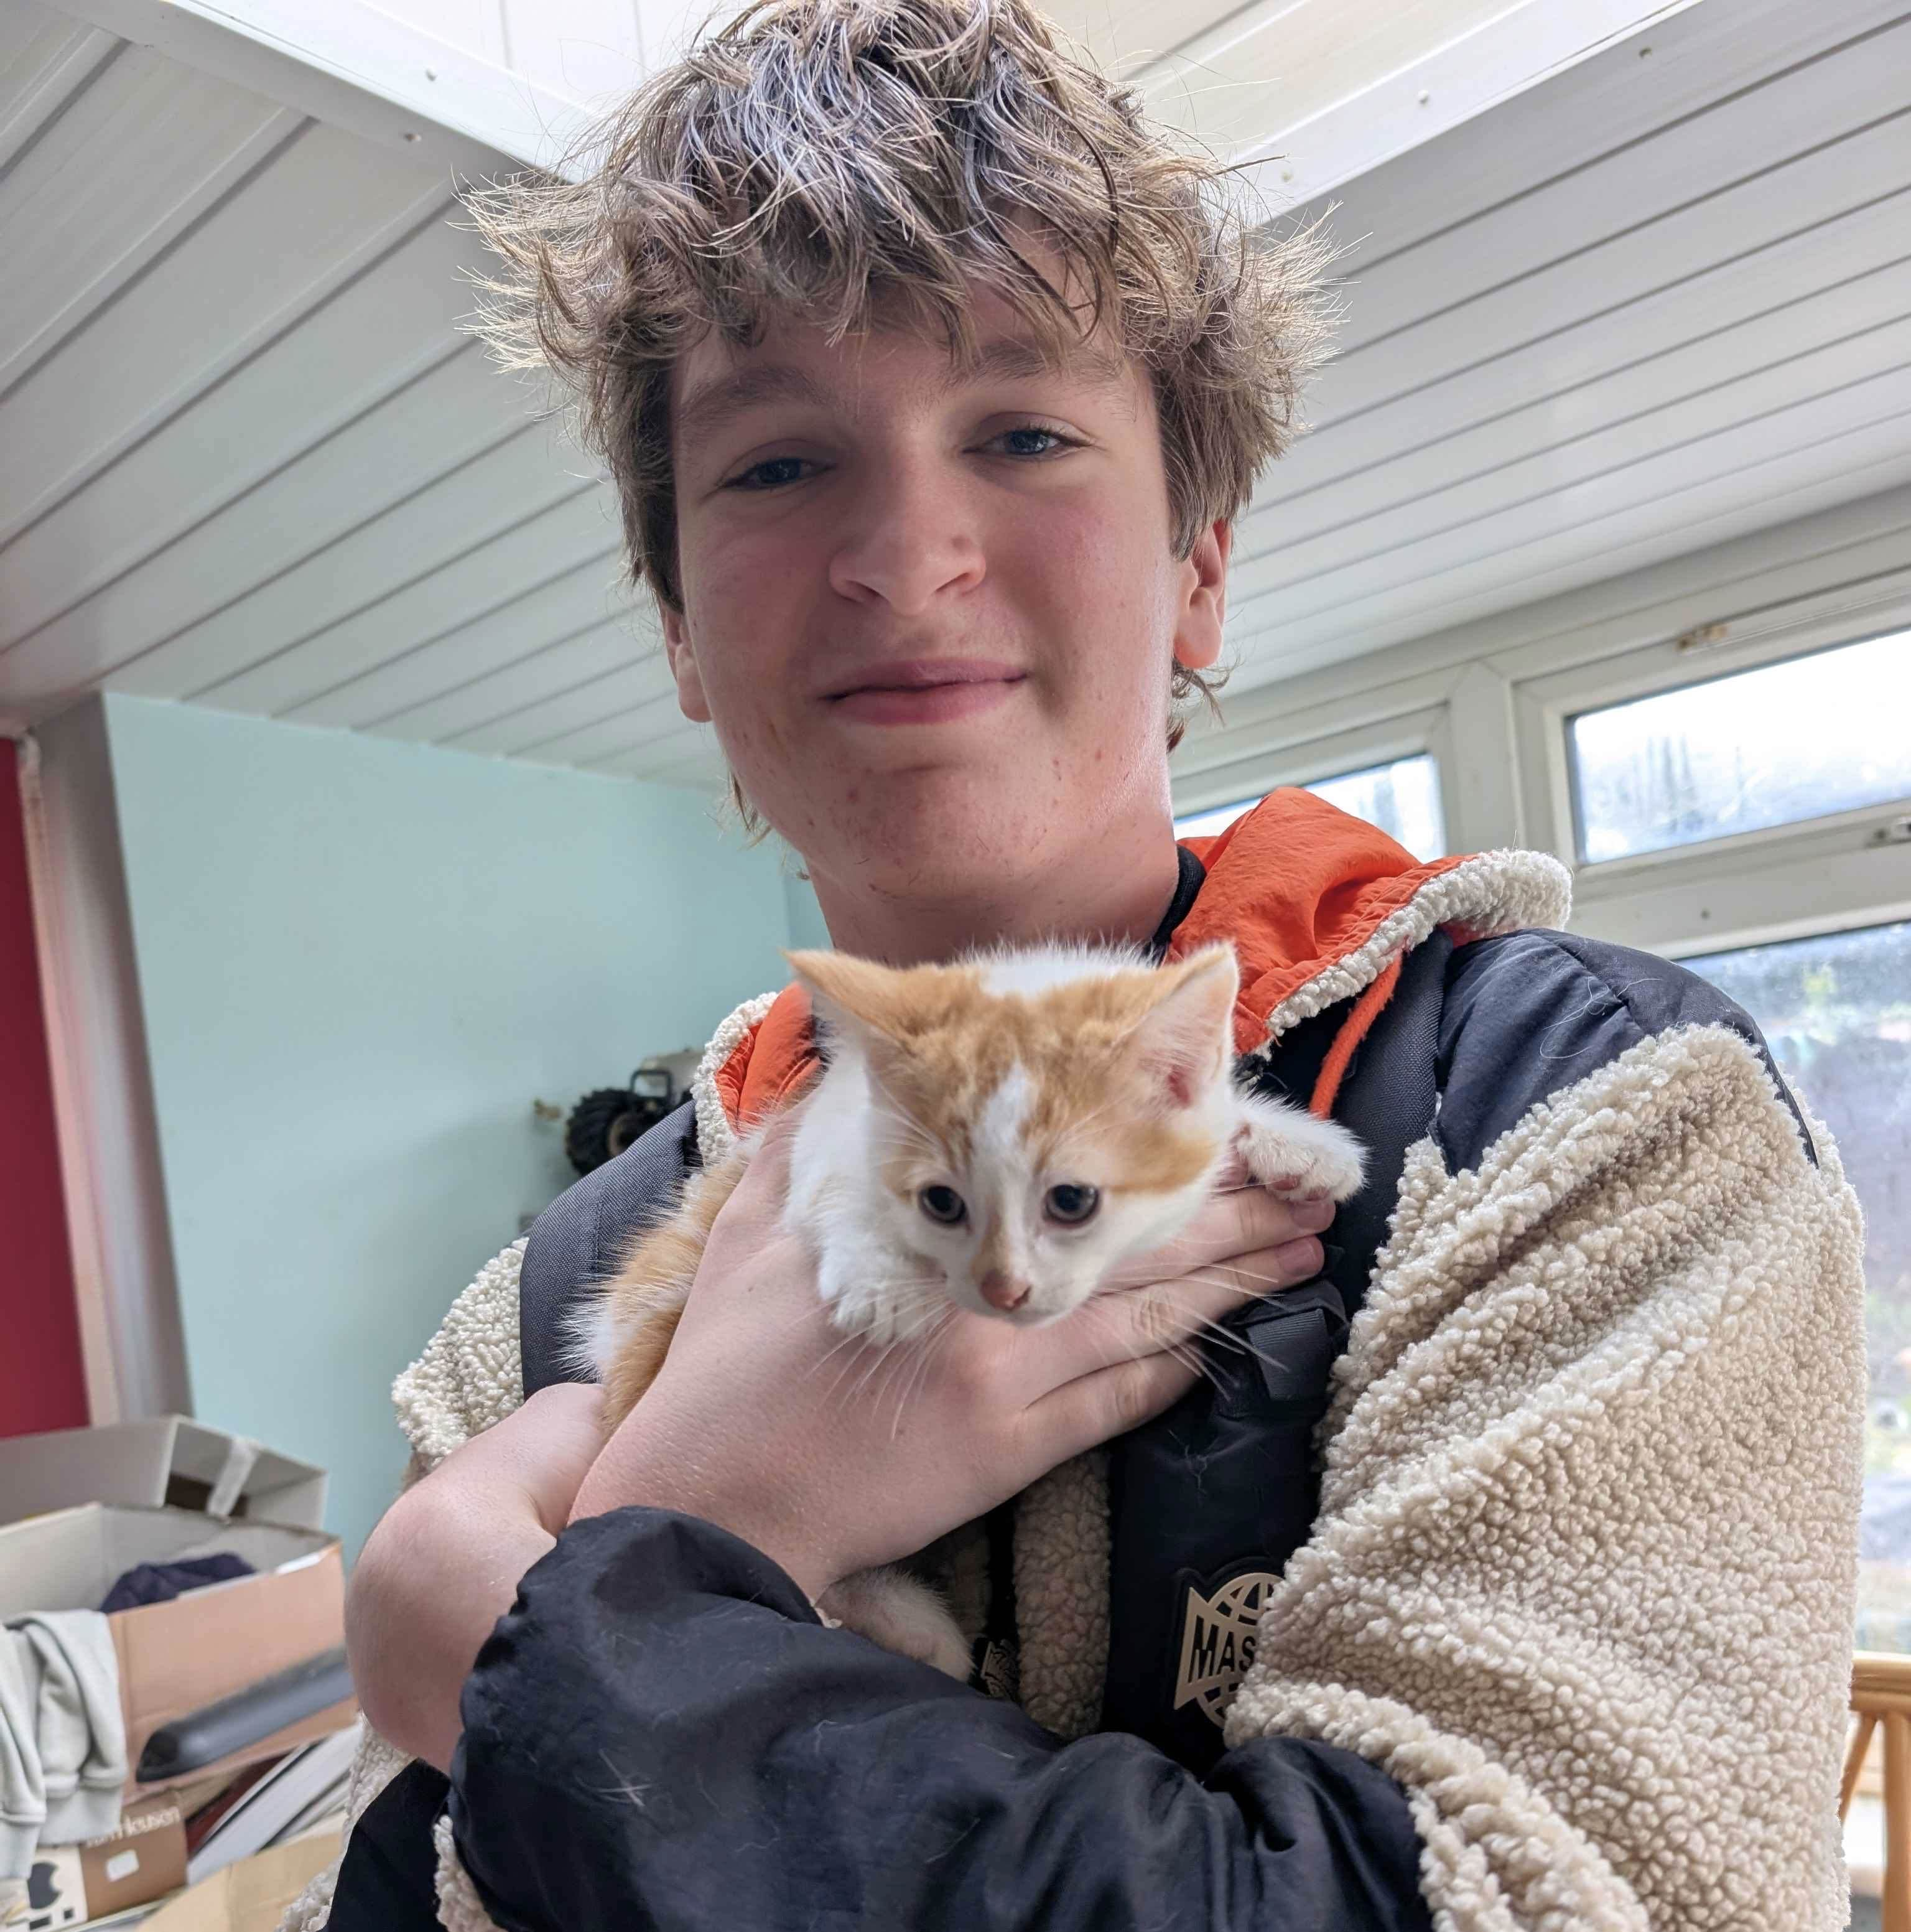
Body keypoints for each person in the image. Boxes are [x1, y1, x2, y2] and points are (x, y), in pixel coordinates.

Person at [309, 1, 1867, 1926]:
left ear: (1200, 563)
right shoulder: (542, 1297)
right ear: (680, 635)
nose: (907, 550)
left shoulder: (1575, 1125)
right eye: (779, 467)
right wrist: (715, 1528)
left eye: (1024, 430)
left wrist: (603, 1585)